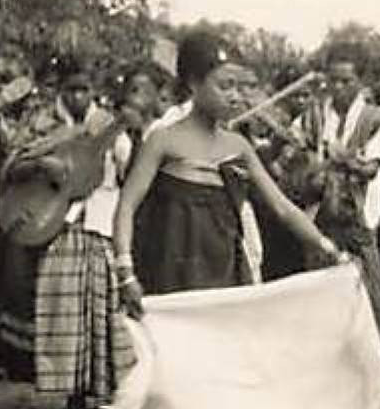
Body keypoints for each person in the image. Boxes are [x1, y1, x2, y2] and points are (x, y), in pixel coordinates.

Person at [114, 31, 343, 314]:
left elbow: (282, 208)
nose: (235, 97)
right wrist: (125, 270)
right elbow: (127, 204)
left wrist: (328, 248)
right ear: (194, 84)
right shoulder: (163, 140)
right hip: (170, 272)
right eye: (225, 86)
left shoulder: (238, 147)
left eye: (239, 88)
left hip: (223, 273)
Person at [3, 58, 134, 409]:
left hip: (98, 220)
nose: (77, 97)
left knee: (101, 303)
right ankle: (71, 388)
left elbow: (125, 172)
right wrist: (40, 163)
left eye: (84, 89)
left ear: (94, 91)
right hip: (53, 220)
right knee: (61, 304)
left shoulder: (110, 128)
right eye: (71, 89)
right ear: (61, 90)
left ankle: (103, 386)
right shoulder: (43, 124)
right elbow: (12, 165)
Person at [297, 44, 380, 354]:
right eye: (333, 80)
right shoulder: (314, 115)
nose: (338, 87)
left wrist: (342, 159)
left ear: (361, 82)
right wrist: (306, 162)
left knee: (368, 294)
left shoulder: (374, 118)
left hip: (357, 221)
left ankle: (376, 364)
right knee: (320, 296)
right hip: (320, 217)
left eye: (346, 81)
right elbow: (295, 150)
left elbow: (371, 169)